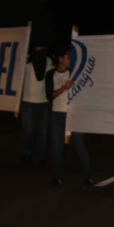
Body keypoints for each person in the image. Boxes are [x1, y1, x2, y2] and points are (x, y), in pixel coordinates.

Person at [45, 47, 94, 186]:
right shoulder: (50, 75)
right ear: (60, 59)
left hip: (73, 114)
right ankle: (56, 177)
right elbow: (49, 96)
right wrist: (64, 88)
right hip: (57, 114)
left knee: (79, 145)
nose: (70, 60)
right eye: (67, 57)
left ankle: (88, 176)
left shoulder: (75, 73)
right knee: (56, 147)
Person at [20, 43, 53, 168]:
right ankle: (26, 153)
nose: (39, 51)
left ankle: (40, 156)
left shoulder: (49, 63)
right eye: (36, 49)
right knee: (28, 130)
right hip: (28, 102)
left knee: (43, 132)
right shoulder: (26, 65)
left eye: (41, 49)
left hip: (44, 103)